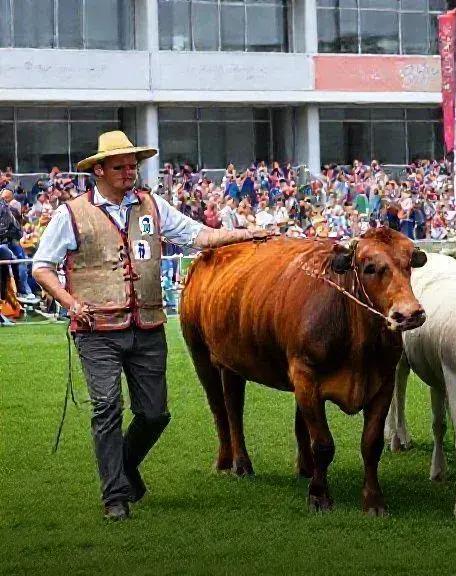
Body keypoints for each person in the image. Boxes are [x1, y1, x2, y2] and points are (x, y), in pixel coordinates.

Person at [31, 131, 272, 522]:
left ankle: (123, 468)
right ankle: (115, 497)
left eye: (133, 165)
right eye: (120, 166)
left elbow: (199, 235)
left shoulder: (152, 206)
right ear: (99, 171)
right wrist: (72, 303)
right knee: (107, 407)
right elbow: (41, 267)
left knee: (156, 414)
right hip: (96, 329)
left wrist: (247, 234)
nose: (130, 172)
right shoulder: (71, 214)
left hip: (146, 324)